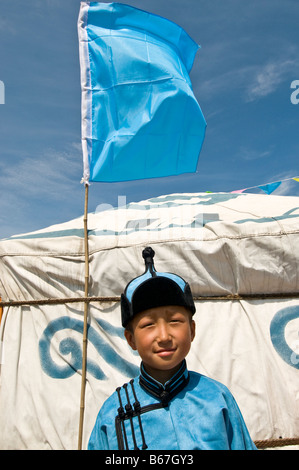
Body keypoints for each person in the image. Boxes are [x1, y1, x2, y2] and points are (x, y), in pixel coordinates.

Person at [88, 247, 257, 450]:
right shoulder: (113, 412)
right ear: (131, 339)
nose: (164, 336)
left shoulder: (217, 398)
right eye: (149, 324)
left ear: (192, 330)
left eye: (175, 321)